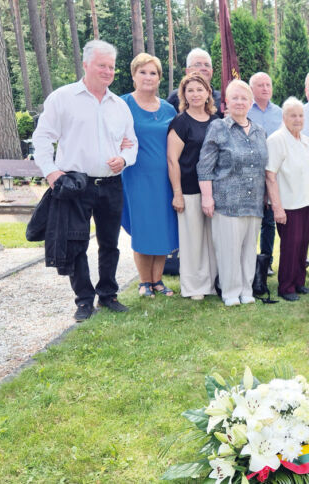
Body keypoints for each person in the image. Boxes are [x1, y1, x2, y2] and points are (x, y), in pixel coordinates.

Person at [32, 40, 138, 321]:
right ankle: (83, 299)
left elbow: (132, 143)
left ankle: (108, 294)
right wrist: (52, 172)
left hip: (111, 183)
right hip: (75, 183)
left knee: (110, 243)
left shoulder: (119, 106)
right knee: (76, 242)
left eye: (111, 67)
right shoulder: (62, 98)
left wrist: (125, 158)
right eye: (102, 65)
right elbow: (42, 138)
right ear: (86, 65)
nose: (107, 71)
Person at [197, 79, 268, 307]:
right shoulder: (218, 127)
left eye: (244, 98)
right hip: (226, 201)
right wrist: (207, 197)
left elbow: (264, 166)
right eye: (235, 98)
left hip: (254, 201)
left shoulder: (259, 131)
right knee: (228, 250)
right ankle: (230, 292)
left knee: (249, 249)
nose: (239, 102)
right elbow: (205, 167)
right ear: (226, 102)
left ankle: (247, 290)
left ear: (251, 102)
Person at [120, 53, 179, 298]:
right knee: (144, 228)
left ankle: (158, 281)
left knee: (162, 228)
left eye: (153, 73)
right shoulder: (122, 104)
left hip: (165, 179)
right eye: (142, 72)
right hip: (137, 177)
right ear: (133, 75)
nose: (148, 77)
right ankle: (144, 282)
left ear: (159, 78)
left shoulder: (168, 108)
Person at [167, 73, 218, 300]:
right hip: (189, 189)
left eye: (200, 89)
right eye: (190, 90)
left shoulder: (217, 121)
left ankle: (212, 284)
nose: (195, 94)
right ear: (184, 95)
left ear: (208, 93)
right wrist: (177, 193)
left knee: (213, 241)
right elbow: (172, 160)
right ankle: (194, 287)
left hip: (216, 190)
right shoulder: (181, 122)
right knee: (193, 241)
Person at [266, 98, 309, 301]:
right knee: (290, 245)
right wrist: (277, 208)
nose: (297, 119)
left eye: (300, 115)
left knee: (303, 244)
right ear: (284, 117)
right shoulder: (277, 140)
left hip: (306, 202)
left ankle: (299, 282)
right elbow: (270, 176)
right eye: (292, 115)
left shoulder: (306, 141)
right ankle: (286, 287)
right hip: (288, 204)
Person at [247, 72, 283, 275]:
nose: (265, 88)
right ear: (252, 89)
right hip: (250, 172)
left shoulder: (279, 112)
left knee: (269, 221)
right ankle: (248, 261)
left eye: (268, 84)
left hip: (272, 173)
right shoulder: (245, 110)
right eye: (260, 85)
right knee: (251, 220)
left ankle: (266, 261)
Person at [166, 48, 223, 117]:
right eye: (198, 65)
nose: (204, 68)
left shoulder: (222, 99)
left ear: (212, 71)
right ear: (187, 71)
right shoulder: (175, 98)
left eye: (207, 65)